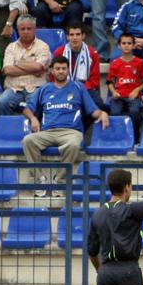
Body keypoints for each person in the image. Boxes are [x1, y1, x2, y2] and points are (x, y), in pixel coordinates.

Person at [19, 54, 108, 190]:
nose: (61, 71)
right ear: (52, 71)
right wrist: (33, 118)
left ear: (68, 70)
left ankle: (59, 180)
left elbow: (92, 110)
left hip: (71, 132)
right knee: (28, 141)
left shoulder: (78, 87)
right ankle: (40, 180)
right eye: (58, 68)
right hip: (47, 132)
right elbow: (27, 109)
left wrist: (102, 113)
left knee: (73, 145)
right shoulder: (44, 89)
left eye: (64, 68)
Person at [0, 15, 52, 116]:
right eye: (22, 29)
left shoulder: (43, 46)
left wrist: (17, 63)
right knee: (2, 102)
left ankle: (35, 130)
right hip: (14, 88)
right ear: (17, 30)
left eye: (29, 29)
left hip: (36, 87)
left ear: (34, 29)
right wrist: (33, 69)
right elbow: (7, 70)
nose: (26, 31)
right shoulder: (11, 47)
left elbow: (38, 67)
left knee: (36, 104)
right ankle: (9, 129)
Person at [107, 33, 143, 142]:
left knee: (135, 112)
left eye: (129, 43)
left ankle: (135, 138)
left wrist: (137, 90)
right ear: (119, 46)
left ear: (134, 45)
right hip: (119, 95)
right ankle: (118, 138)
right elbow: (109, 82)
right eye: (124, 43)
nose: (126, 46)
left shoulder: (139, 63)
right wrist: (113, 92)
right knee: (115, 113)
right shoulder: (115, 63)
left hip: (133, 96)